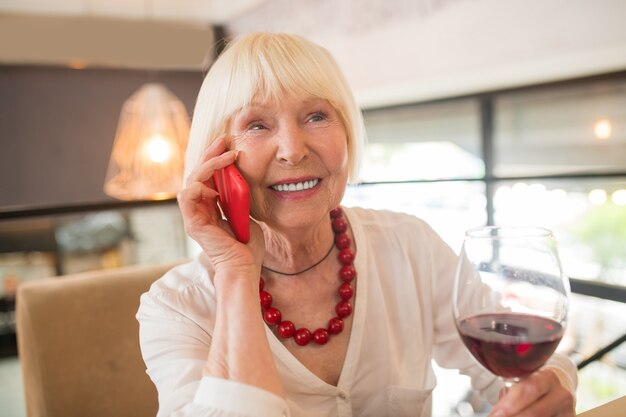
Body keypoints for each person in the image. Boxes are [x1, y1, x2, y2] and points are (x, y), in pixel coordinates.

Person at [137, 32, 577, 417]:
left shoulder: (411, 245)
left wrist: (553, 384)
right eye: (256, 124)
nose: (292, 149)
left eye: (316, 116)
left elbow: (514, 361)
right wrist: (235, 272)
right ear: (216, 158)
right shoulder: (175, 309)